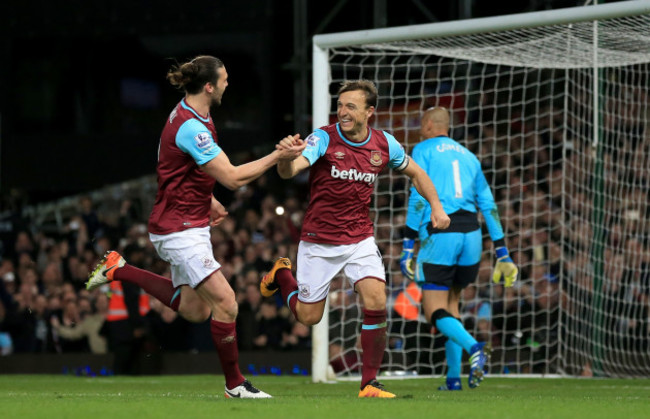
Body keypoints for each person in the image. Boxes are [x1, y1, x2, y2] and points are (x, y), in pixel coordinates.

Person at [86, 55, 305, 398]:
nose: (228, 84)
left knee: (195, 309)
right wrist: (278, 156)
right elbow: (232, 177)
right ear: (209, 86)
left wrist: (208, 198)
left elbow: (185, 169)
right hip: (177, 229)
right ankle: (235, 385)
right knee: (227, 302)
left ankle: (119, 268)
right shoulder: (191, 126)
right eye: (225, 79)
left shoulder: (196, 115)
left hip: (190, 221)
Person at [260, 80, 450, 398]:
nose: (343, 111)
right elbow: (291, 170)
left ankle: (369, 384)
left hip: (359, 238)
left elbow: (417, 173)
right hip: (319, 241)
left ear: (369, 111)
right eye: (340, 105)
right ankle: (282, 274)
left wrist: (437, 206)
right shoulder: (322, 137)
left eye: (351, 106)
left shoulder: (385, 144)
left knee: (376, 299)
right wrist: (284, 157)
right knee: (308, 317)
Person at [399, 107, 518, 390]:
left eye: (420, 123)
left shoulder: (422, 149)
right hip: (472, 237)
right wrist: (502, 252)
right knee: (451, 306)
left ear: (428, 125)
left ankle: (475, 348)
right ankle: (453, 379)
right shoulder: (470, 157)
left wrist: (407, 244)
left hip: (441, 233)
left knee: (433, 311)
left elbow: (418, 197)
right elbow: (489, 206)